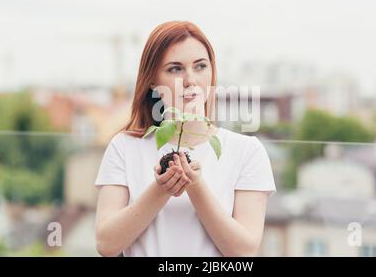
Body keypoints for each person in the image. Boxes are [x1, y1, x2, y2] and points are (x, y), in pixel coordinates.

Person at [94, 21, 276, 257]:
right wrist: (161, 190)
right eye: (175, 69)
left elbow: (244, 251)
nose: (190, 79)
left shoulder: (247, 151)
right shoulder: (125, 146)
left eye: (200, 66)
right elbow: (106, 244)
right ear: (153, 82)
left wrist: (195, 186)